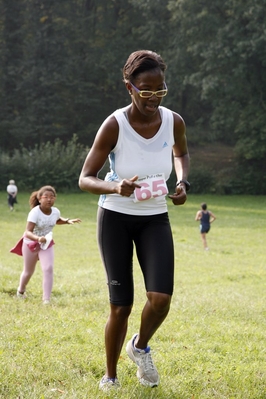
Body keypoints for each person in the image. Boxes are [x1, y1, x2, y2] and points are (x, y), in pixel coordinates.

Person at [79, 50, 190, 391]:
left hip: (155, 217)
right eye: (145, 90)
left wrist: (183, 181)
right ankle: (110, 376)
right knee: (121, 305)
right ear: (129, 87)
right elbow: (85, 177)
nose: (153, 97)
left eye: (160, 89)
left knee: (161, 299)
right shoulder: (115, 124)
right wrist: (116, 185)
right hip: (114, 216)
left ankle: (140, 348)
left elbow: (181, 153)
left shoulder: (174, 122)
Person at [12, 185, 81, 304]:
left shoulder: (55, 211)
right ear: (39, 199)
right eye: (46, 197)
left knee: (48, 268)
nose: (49, 199)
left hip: (46, 243)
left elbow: (56, 219)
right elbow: (28, 232)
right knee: (28, 271)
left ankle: (46, 300)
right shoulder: (34, 212)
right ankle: (20, 291)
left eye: (52, 197)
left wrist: (67, 221)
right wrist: (38, 238)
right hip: (30, 244)